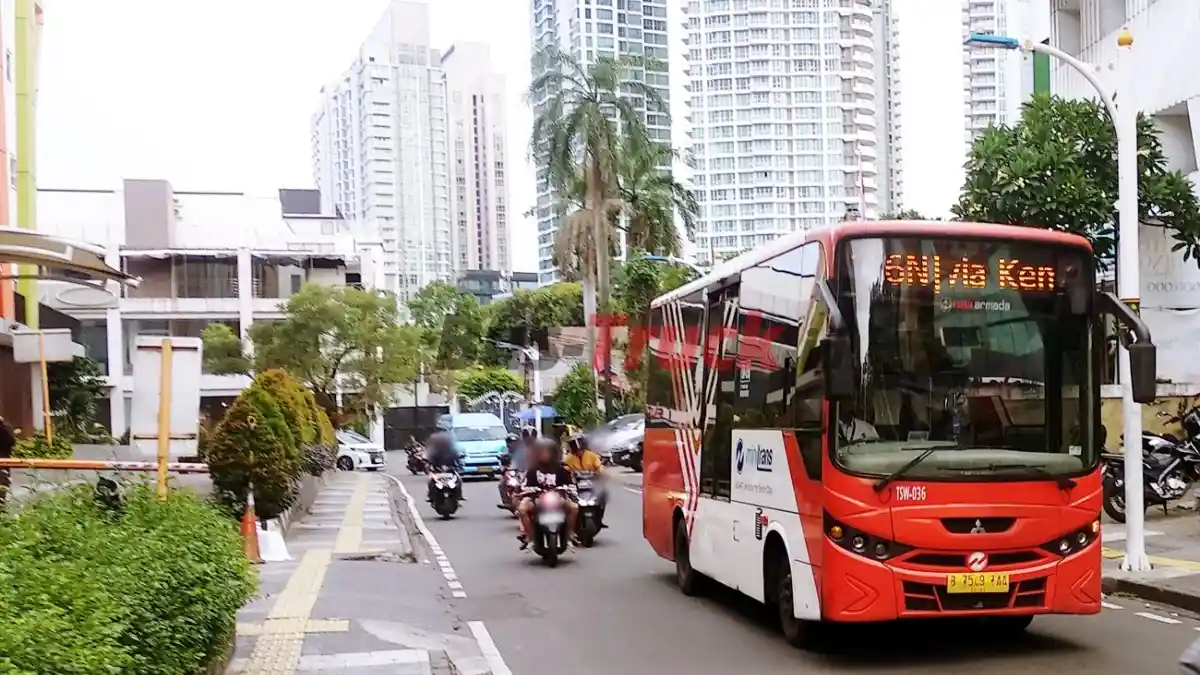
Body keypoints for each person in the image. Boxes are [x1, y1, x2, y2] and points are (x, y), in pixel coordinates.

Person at [517, 438, 578, 549]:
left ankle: (570, 534)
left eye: (547, 452)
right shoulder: (532, 470)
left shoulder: (561, 469)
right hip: (535, 498)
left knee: (574, 507)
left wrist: (569, 489)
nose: (544, 455)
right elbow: (524, 485)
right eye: (542, 452)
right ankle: (530, 538)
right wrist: (527, 490)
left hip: (558, 497)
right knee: (522, 509)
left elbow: (570, 483)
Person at [425, 431, 465, 503]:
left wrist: (459, 466)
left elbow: (457, 459)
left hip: (450, 471)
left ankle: (459, 495)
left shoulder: (451, 451)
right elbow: (429, 461)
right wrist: (429, 466)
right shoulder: (435, 452)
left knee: (459, 480)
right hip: (438, 472)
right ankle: (431, 495)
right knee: (430, 481)